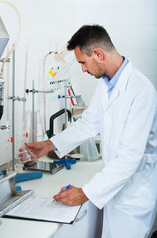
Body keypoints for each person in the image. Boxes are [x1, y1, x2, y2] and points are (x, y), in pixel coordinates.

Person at [19, 25, 157, 238]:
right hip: (113, 189)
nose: (83, 69)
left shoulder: (142, 90)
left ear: (98, 54)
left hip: (134, 197)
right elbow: (89, 123)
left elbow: (130, 158)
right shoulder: (106, 84)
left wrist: (85, 193)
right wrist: (49, 145)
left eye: (83, 62)